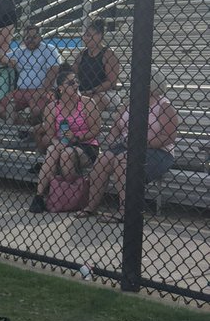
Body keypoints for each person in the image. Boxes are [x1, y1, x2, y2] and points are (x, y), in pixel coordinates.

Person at [78, 73, 179, 219]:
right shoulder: (130, 102)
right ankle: (91, 206)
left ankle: (126, 211)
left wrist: (142, 143)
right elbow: (117, 125)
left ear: (152, 84)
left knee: (122, 160)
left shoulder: (164, 106)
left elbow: (169, 137)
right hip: (128, 145)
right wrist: (112, 138)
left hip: (158, 151)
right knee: (103, 159)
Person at [29, 68, 100, 212]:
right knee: (52, 149)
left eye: (76, 82)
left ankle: (67, 191)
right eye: (71, 83)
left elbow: (95, 130)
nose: (76, 85)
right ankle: (39, 196)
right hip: (62, 145)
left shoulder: (87, 103)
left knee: (66, 153)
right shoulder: (52, 108)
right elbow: (49, 135)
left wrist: (76, 137)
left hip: (86, 145)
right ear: (60, 88)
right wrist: (57, 143)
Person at [0, 24, 60, 129]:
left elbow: (54, 70)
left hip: (44, 89)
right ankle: (26, 127)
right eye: (27, 38)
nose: (31, 40)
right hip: (21, 90)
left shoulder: (49, 49)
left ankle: (34, 129)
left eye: (34, 37)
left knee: (36, 110)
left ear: (40, 37)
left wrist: (43, 90)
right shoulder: (20, 51)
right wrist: (7, 61)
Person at [72, 19, 120, 113]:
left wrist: (92, 91)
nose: (85, 38)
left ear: (99, 35)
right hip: (83, 92)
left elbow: (111, 82)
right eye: (85, 35)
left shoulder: (109, 54)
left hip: (105, 93)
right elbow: (73, 73)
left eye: (89, 35)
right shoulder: (81, 54)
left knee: (90, 102)